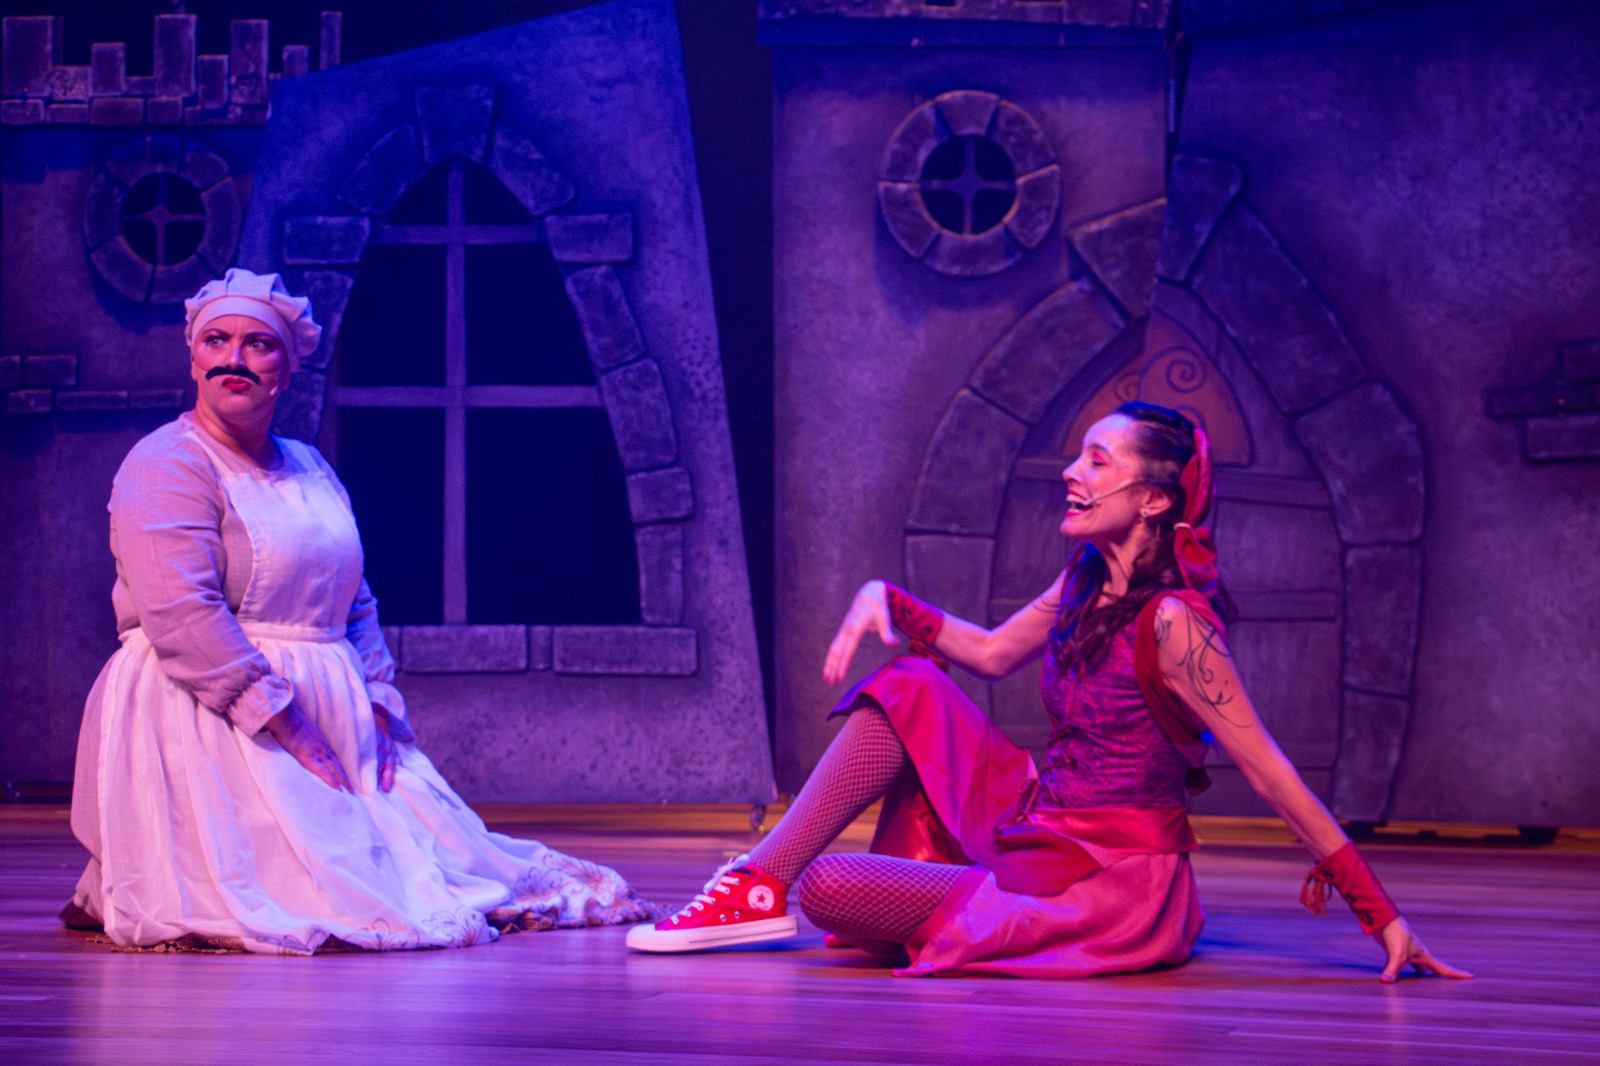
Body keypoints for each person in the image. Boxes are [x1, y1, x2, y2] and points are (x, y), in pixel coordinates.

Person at [628, 401, 1472, 982]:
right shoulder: (1082, 579)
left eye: (1097, 461)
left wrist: (1382, 917)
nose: (1071, 472)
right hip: (1042, 821)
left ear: (1153, 498)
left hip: (1106, 880)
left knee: (833, 888)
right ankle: (757, 885)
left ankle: (804, 887)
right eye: (1078, 456)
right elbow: (991, 654)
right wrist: (890, 599)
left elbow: (1272, 773)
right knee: (912, 683)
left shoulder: (1176, 623)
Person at [63, 269, 657, 954]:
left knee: (441, 856)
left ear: (287, 367)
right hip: (213, 705)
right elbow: (182, 613)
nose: (234, 359)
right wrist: (285, 720)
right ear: (193, 357)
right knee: (329, 883)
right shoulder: (168, 464)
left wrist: (374, 699)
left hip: (328, 706)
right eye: (216, 341)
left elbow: (354, 597)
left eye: (258, 344)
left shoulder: (308, 465)